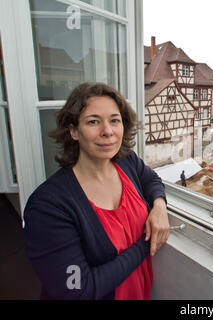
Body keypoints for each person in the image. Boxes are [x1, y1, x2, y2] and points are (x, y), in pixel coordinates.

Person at [23, 83, 170, 300]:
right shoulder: (48, 206)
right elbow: (78, 290)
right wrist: (146, 243)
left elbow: (151, 180)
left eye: (114, 120)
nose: (108, 131)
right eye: (93, 121)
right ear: (73, 131)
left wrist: (159, 205)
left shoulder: (126, 160)